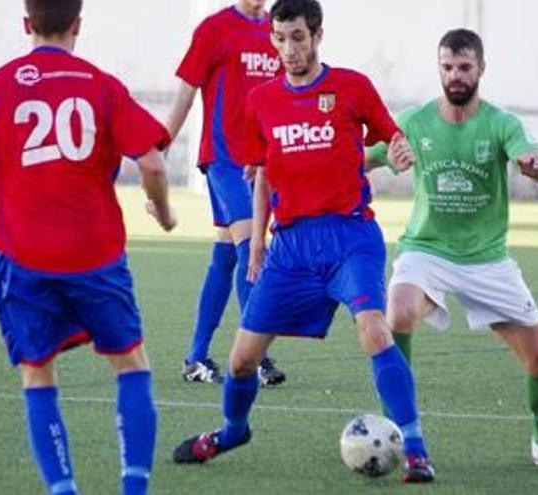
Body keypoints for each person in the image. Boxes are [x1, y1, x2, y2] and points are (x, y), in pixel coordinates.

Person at [171, 0, 436, 483]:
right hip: (290, 246)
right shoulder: (263, 100)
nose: (288, 49)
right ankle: (233, 431)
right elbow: (264, 173)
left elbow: (394, 138)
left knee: (375, 330)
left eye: (297, 37)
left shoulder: (352, 87)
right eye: (279, 38)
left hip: (349, 236)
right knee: (242, 359)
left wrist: (400, 149)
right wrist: (255, 247)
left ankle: (415, 447)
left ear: (317, 35)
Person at [0, 1, 176, 493]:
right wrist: (164, 213)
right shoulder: (101, 84)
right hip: (96, 255)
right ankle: (134, 488)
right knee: (130, 363)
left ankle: (63, 489)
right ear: (78, 25)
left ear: (27, 24)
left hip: (23, 257)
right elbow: (153, 165)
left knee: (38, 373)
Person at [367, 28, 538, 469]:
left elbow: (529, 154)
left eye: (464, 67)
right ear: (439, 68)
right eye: (448, 67)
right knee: (396, 311)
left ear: (481, 69)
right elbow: (360, 159)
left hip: (487, 260)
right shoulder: (414, 122)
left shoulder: (500, 123)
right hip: (426, 249)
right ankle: (399, 428)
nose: (455, 75)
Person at [166, 0, 286, 386]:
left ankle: (195, 357)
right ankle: (257, 354)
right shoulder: (214, 29)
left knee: (224, 257)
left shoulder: (280, 30)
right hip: (224, 159)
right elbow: (185, 92)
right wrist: (162, 144)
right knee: (250, 249)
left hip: (262, 163)